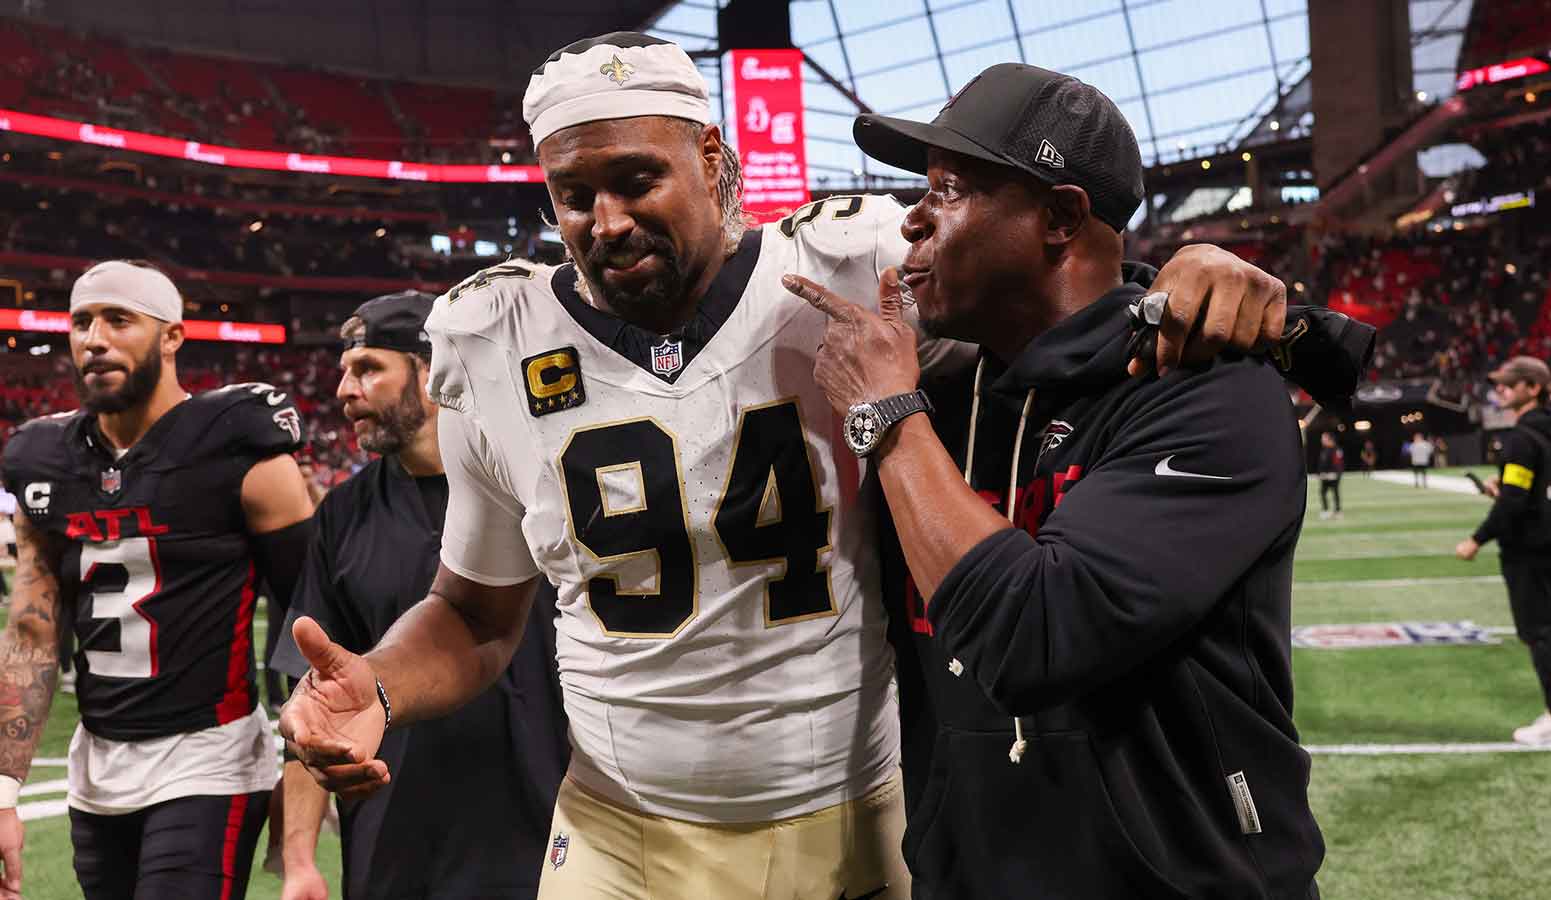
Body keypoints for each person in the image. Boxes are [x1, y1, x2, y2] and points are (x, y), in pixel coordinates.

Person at [278, 34, 1361, 900]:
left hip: (865, 817)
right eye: (572, 193)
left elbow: (1061, 274)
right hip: (626, 829)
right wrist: (374, 683)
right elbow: (473, 615)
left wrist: (1208, 272)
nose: (604, 221)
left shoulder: (857, 279)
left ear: (715, 160)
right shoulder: (486, 333)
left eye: (637, 178)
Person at [788, 62, 1331, 897]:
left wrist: (887, 416)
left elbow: (1037, 638)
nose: (912, 220)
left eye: (950, 188)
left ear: (1060, 216)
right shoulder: (944, 396)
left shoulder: (1212, 392)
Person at [0, 260, 314, 899]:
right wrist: (4, 789)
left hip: (211, 756)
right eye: (81, 321)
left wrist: (307, 777)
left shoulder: (236, 444)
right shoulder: (42, 459)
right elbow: (33, 631)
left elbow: (315, 612)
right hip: (98, 761)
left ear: (172, 336)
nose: (95, 338)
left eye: (119, 319)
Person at [271, 292, 569, 900]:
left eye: (368, 368)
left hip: (550, 833)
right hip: (396, 846)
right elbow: (315, 702)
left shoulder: (543, 482)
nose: (344, 391)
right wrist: (299, 858)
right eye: (344, 372)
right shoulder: (344, 515)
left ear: (432, 369)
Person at [1456, 356, 1551, 746]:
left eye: (1509, 384)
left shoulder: (1521, 436)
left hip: (1529, 547)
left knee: (1539, 633)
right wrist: (1507, 486)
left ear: (1533, 388)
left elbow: (1515, 502)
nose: (1500, 390)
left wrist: (1477, 538)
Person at [1318, 432, 1345, 519]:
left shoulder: (1336, 449)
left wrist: (1336, 474)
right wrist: (1321, 473)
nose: (1322, 440)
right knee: (1323, 492)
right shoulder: (1325, 449)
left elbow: (1339, 463)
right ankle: (1326, 510)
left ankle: (1338, 511)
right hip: (1325, 476)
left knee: (1335, 492)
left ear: (1329, 439)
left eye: (1324, 438)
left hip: (1333, 475)